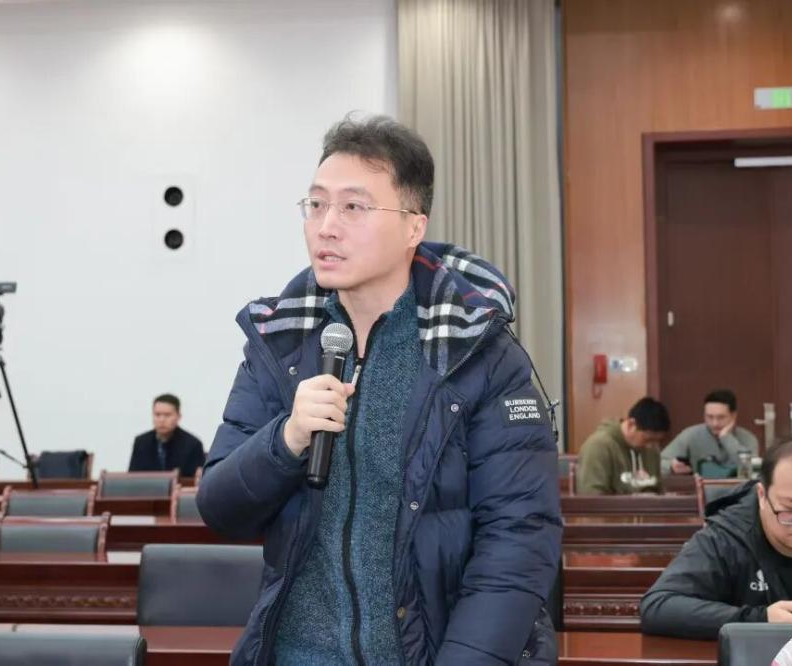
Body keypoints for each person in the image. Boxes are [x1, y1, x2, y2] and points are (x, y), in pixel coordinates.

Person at [196, 115, 561, 665]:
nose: (326, 226)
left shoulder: (479, 354)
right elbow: (221, 509)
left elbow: (518, 541)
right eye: (316, 204)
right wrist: (286, 440)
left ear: (414, 226)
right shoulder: (280, 343)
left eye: (353, 207)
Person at [640, 437, 792, 640]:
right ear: (762, 496)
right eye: (790, 509)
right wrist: (760, 619)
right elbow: (658, 607)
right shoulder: (726, 537)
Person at [575, 397, 670, 495]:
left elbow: (659, 490)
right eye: (647, 439)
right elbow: (591, 495)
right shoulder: (598, 447)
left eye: (657, 441)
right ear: (631, 425)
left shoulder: (652, 450)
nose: (650, 446)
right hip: (613, 505)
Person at [661, 389, 759, 477]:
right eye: (709, 417)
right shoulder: (691, 435)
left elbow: (750, 471)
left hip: (738, 489)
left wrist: (726, 438)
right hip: (702, 489)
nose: (714, 423)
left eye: (721, 417)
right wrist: (671, 466)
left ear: (733, 416)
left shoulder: (748, 438)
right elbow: (660, 462)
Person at [128, 394, 205, 477]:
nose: (162, 420)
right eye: (157, 414)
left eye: (167, 415)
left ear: (178, 416)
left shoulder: (192, 444)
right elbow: (132, 477)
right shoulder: (141, 442)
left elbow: (198, 478)